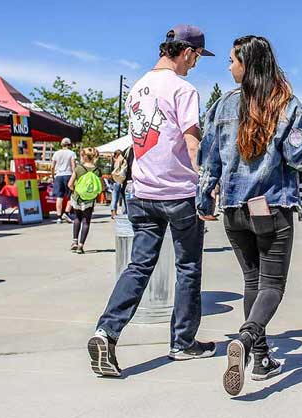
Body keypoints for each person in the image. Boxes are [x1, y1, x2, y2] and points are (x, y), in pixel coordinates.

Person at [197, 35, 302, 396]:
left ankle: (261, 357)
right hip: (271, 208)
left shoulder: (221, 106)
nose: (229, 66)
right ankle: (249, 338)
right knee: (272, 286)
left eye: (232, 60)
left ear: (249, 65)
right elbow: (298, 157)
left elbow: (208, 161)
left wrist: (204, 199)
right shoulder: (288, 106)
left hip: (233, 210)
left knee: (251, 283)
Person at [89, 24, 215, 377]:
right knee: (187, 267)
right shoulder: (183, 88)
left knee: (139, 266)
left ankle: (107, 332)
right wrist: (207, 185)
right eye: (197, 58)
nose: (195, 65)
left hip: (142, 193)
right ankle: (183, 342)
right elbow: (192, 142)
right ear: (187, 52)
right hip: (178, 193)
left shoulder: (138, 88)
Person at [67, 147, 102, 253]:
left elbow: (70, 184)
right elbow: (102, 187)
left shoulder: (78, 168)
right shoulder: (97, 170)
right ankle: (81, 246)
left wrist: (77, 191)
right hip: (90, 199)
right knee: (86, 221)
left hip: (78, 198)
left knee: (77, 218)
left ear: (84, 156)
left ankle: (74, 241)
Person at [51, 138, 76, 223]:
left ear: (61, 144)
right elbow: (73, 165)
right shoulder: (72, 153)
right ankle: (66, 212)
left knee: (59, 197)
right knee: (71, 195)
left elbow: (52, 166)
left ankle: (58, 216)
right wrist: (75, 175)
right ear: (69, 145)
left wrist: (53, 175)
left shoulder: (56, 153)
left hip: (58, 175)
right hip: (68, 175)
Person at [108, 149, 127, 219]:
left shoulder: (114, 162)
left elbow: (111, 172)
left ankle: (113, 212)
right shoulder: (123, 161)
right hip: (122, 181)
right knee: (124, 198)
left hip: (114, 181)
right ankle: (125, 212)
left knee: (114, 197)